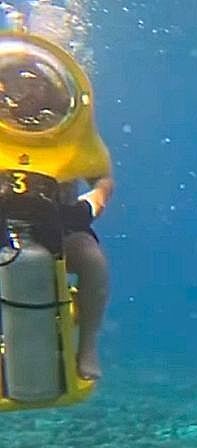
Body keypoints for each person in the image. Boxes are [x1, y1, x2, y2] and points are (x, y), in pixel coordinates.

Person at [0, 55, 112, 381]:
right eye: (18, 83)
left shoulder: (70, 125)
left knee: (93, 261)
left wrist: (92, 202)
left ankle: (87, 347)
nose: (26, 93)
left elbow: (103, 177)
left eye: (35, 82)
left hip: (60, 220)